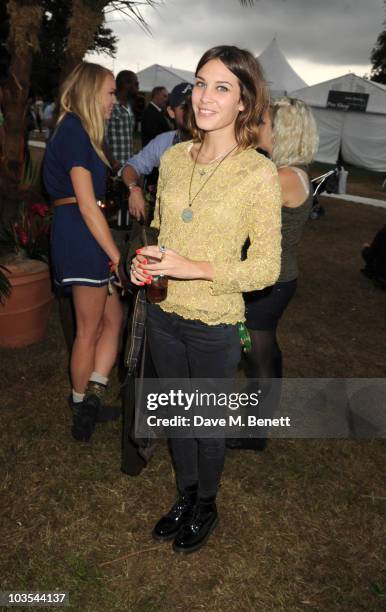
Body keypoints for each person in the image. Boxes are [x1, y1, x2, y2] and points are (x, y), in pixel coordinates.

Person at [130, 45, 282, 553]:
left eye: (222, 87)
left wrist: (194, 268)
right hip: (163, 311)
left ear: (244, 102)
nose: (205, 96)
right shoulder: (172, 158)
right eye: (200, 83)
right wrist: (145, 261)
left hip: (216, 321)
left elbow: (266, 268)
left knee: (206, 426)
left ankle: (207, 503)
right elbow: (165, 230)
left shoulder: (258, 172)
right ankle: (186, 494)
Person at [43, 62, 123, 442]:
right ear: (92, 92)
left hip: (81, 231)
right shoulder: (74, 128)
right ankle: (81, 406)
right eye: (110, 92)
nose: (114, 101)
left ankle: (92, 395)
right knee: (89, 329)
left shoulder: (78, 130)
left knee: (113, 320)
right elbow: (89, 205)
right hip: (82, 232)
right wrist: (117, 255)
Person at [234, 97, 318, 451]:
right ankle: (259, 421)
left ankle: (254, 433)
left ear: (282, 131)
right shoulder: (293, 171)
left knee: (256, 351)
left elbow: (241, 215)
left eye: (265, 122)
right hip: (280, 277)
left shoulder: (281, 176)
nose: (258, 127)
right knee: (265, 349)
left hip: (271, 279)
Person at [121, 82, 193, 222]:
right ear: (171, 112)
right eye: (184, 106)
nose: (192, 111)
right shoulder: (164, 142)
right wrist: (133, 189)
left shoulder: (215, 142)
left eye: (196, 105)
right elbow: (132, 166)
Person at [106, 70, 139, 171]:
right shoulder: (110, 106)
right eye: (136, 84)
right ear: (126, 84)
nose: (138, 87)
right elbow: (100, 138)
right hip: (112, 168)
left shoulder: (129, 107)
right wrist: (113, 162)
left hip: (126, 167)